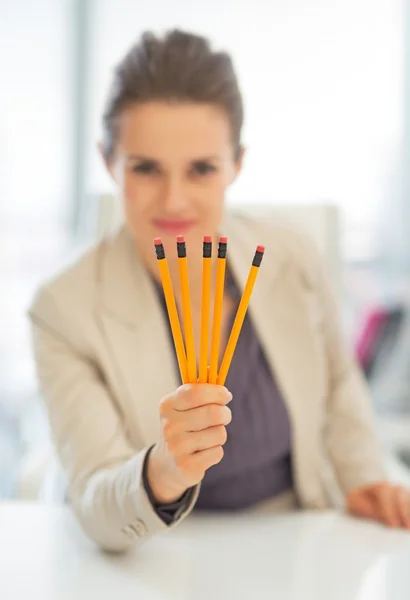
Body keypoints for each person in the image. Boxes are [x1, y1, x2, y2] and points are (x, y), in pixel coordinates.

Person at [28, 29, 410, 553]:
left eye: (202, 169)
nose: (175, 200)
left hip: (297, 546)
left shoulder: (293, 256)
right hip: (159, 560)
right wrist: (162, 469)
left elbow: (340, 390)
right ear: (108, 161)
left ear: (237, 163)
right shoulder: (62, 309)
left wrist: (365, 478)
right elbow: (94, 493)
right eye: (145, 168)